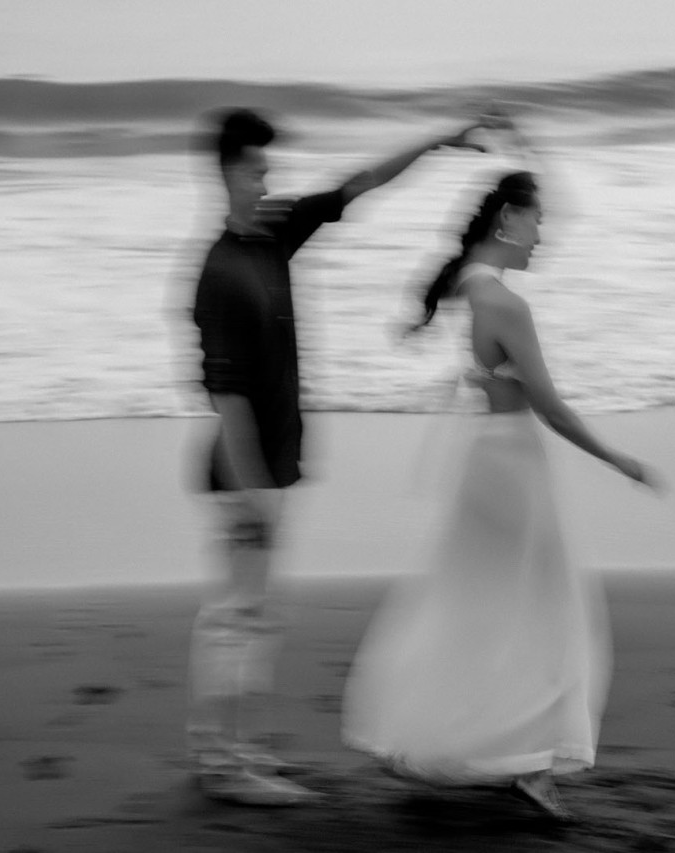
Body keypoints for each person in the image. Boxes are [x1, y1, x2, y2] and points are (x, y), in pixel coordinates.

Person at [186, 107, 499, 807]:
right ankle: (225, 764)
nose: (266, 182)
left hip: (270, 465)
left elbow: (359, 184)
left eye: (267, 170)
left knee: (247, 615)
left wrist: (440, 141)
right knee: (240, 618)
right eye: (256, 171)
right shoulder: (219, 272)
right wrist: (254, 491)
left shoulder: (272, 234)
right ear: (228, 173)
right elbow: (226, 397)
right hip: (245, 470)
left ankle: (228, 751)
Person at [341, 169, 664, 821]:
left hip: (482, 457)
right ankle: (531, 762)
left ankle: (458, 737)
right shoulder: (505, 303)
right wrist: (618, 458)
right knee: (547, 608)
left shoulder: (470, 284)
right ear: (508, 218)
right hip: (513, 463)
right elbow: (550, 407)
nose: (543, 235)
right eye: (538, 220)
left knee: (476, 602)